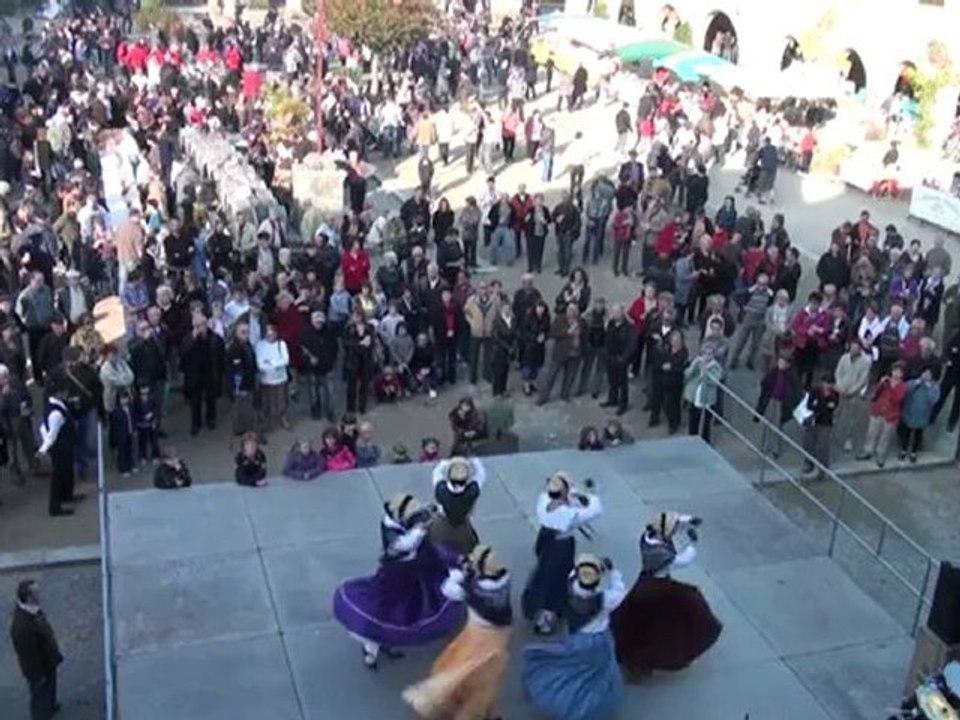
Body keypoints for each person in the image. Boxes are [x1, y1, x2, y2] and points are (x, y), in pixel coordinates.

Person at [332, 492, 462, 669]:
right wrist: (422, 527)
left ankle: (387, 643)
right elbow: (404, 545)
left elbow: (427, 552)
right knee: (380, 615)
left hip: (409, 582)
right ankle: (371, 649)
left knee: (401, 616)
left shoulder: (412, 529)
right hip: (392, 583)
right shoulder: (392, 533)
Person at [403, 545, 513, 720]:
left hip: (479, 638)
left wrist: (464, 572)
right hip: (494, 639)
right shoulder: (502, 580)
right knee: (485, 683)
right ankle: (487, 713)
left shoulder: (475, 589)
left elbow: (450, 589)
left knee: (461, 673)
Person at [610, 512, 721, 678]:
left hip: (646, 583)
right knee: (688, 604)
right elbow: (683, 560)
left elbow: (672, 524)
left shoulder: (648, 536)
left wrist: (689, 522)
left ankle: (634, 659)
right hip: (658, 587)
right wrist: (693, 544)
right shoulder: (660, 553)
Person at [522, 554, 626, 720]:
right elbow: (620, 590)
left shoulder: (570, 586)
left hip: (575, 637)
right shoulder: (605, 599)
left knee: (574, 668)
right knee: (596, 673)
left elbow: (574, 572)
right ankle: (586, 707)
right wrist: (612, 572)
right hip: (597, 640)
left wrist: (591, 567)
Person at [522, 473, 603, 636]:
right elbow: (595, 510)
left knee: (543, 575)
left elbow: (560, 495)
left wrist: (570, 491)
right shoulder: (567, 516)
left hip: (547, 545)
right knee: (558, 578)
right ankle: (549, 613)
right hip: (562, 547)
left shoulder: (543, 501)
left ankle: (543, 609)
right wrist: (590, 494)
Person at [10, 578, 63, 720]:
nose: (40, 595)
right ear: (28, 597)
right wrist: (37, 677)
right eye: (37, 592)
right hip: (39, 670)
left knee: (49, 689)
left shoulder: (32, 609)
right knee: (40, 696)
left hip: (48, 662)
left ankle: (50, 707)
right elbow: (28, 656)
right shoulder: (22, 628)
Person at [180, 312, 226, 436]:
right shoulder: (189, 338)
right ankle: (196, 423)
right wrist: (192, 339)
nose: (201, 328)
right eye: (198, 325)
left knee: (211, 398)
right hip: (195, 375)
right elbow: (183, 353)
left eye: (203, 324)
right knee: (195, 401)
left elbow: (221, 356)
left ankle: (211, 419)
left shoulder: (215, 338)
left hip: (210, 373)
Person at [429, 456, 486, 557]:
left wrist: (444, 463)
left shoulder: (442, 490)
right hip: (463, 528)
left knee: (438, 551)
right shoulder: (471, 491)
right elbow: (481, 475)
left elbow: (436, 474)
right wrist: (475, 461)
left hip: (441, 526)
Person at [857, 362, 908, 468]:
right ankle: (868, 451)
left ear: (902, 374)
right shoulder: (885, 380)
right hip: (878, 410)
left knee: (885, 436)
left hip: (891, 414)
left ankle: (881, 455)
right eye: (894, 371)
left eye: (899, 372)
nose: (896, 373)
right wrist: (880, 384)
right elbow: (876, 393)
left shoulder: (902, 386)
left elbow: (897, 399)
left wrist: (890, 386)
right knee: (872, 432)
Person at [37, 388, 77, 517]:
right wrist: (43, 449)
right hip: (60, 448)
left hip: (64, 446)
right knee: (58, 476)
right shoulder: (56, 413)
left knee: (67, 471)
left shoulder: (55, 406)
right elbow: (52, 434)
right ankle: (55, 507)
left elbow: (43, 427)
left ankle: (67, 495)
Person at [538, 303, 586, 405]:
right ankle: (543, 397)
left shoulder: (581, 322)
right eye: (570, 310)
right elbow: (552, 334)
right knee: (551, 376)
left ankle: (565, 395)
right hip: (560, 353)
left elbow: (585, 336)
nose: (572, 312)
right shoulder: (559, 319)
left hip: (575, 354)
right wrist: (567, 332)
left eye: (574, 310)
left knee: (570, 376)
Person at [800, 374, 840, 479]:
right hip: (813, 421)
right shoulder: (815, 391)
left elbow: (831, 408)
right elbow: (809, 405)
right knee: (808, 442)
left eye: (829, 384)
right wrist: (822, 406)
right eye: (826, 383)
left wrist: (819, 406)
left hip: (825, 423)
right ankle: (809, 462)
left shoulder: (834, 395)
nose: (827, 386)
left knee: (823, 445)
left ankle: (822, 468)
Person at [684, 343, 724, 443]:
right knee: (693, 420)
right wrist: (694, 366)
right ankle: (691, 439)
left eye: (710, 354)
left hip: (707, 399)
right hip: (695, 396)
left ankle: (705, 441)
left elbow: (716, 381)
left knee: (705, 422)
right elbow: (687, 374)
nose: (707, 356)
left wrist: (706, 374)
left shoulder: (716, 367)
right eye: (705, 353)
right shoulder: (697, 363)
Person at [600, 304, 636, 415]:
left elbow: (631, 344)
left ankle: (623, 404)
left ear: (622, 313)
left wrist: (624, 357)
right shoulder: (610, 324)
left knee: (623, 383)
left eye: (617, 312)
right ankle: (612, 399)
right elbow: (606, 339)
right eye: (613, 312)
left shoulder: (628, 327)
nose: (615, 315)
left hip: (621, 358)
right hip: (610, 357)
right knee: (612, 380)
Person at [899, 368, 941, 463]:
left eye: (929, 374)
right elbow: (905, 391)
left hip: (922, 415)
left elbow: (934, 400)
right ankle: (904, 450)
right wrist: (916, 383)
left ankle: (914, 452)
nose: (926, 375)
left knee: (918, 435)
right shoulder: (914, 382)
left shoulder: (934, 387)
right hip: (909, 412)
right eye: (925, 373)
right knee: (906, 433)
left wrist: (928, 387)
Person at [255, 322, 291, 431]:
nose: (270, 336)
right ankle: (265, 421)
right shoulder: (260, 345)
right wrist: (275, 364)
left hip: (280, 378)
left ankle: (283, 418)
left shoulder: (282, 344)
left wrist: (270, 363)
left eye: (273, 333)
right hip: (265, 379)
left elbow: (285, 360)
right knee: (266, 402)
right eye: (268, 334)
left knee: (281, 400)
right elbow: (260, 364)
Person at [520, 299, 550, 396]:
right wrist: (534, 337)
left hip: (540, 347)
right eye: (539, 308)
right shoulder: (529, 316)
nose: (541, 310)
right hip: (529, 346)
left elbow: (548, 330)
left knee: (536, 367)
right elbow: (524, 331)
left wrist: (545, 336)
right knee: (527, 366)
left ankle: (532, 382)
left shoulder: (546, 317)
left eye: (542, 308)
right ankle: (526, 385)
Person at [490, 303, 517, 397]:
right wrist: (508, 347)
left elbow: (514, 334)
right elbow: (497, 338)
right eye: (505, 308)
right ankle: (496, 391)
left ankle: (503, 389)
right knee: (498, 372)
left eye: (508, 308)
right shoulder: (497, 321)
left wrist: (513, 346)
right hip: (499, 350)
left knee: (505, 371)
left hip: (509, 351)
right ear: (501, 310)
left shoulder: (513, 320)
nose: (507, 310)